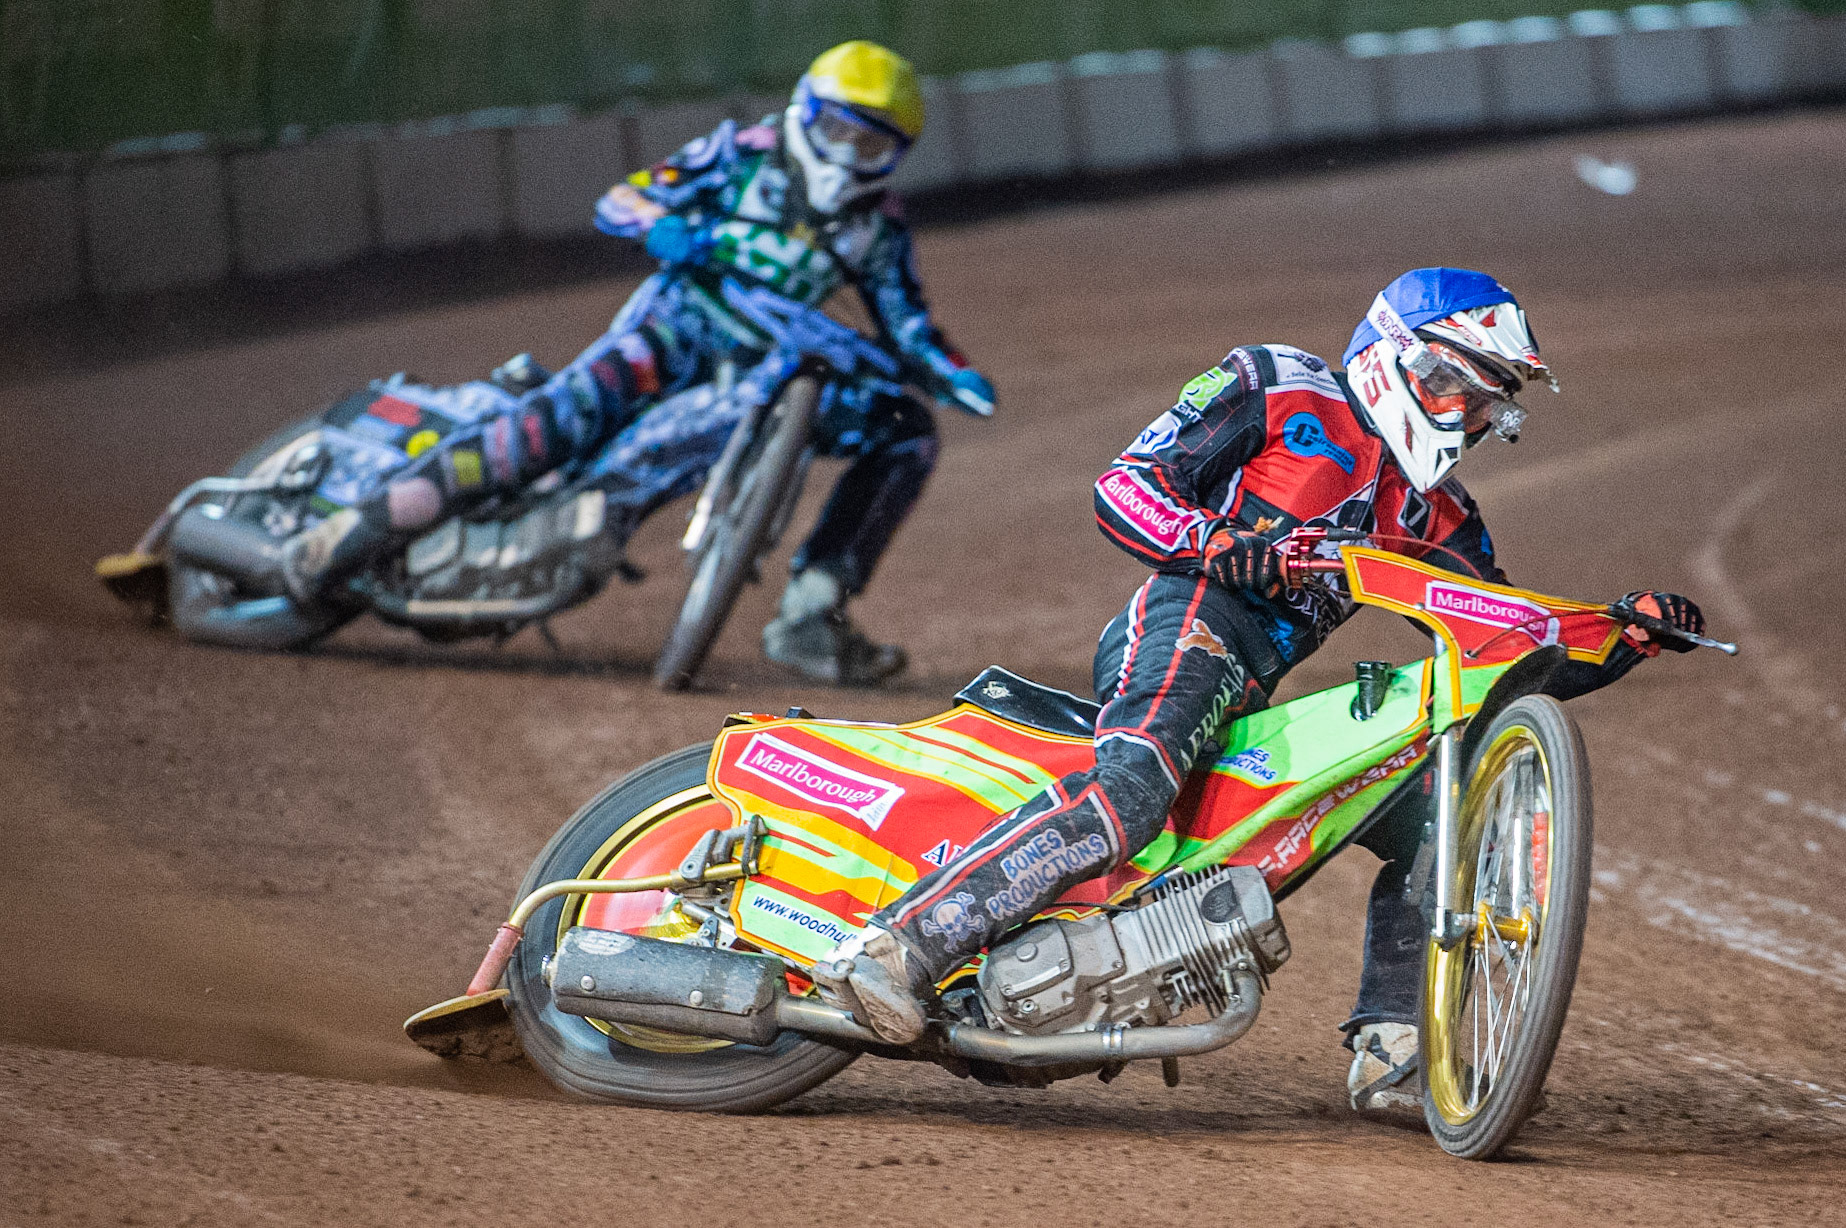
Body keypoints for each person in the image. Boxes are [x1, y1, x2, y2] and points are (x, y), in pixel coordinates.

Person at [815, 268, 1705, 1111]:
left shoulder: (1440, 519)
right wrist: (1212, 542)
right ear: (1389, 353)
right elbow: (1124, 484)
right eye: (1449, 386)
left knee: (1441, 805)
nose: (1462, 415)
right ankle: (901, 946)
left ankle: (1394, 1053)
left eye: (1484, 403)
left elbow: (1497, 644)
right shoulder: (1278, 384)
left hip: (1254, 689)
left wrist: (1621, 634)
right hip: (1189, 621)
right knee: (1133, 790)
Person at [281, 40, 994, 685]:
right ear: (802, 115)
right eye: (836, 130)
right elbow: (623, 198)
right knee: (550, 428)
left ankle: (811, 615)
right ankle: (354, 531)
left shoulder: (883, 227)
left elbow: (907, 322)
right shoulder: (740, 152)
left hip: (770, 372)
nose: (846, 156)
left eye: (871, 146)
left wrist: (953, 369)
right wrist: (664, 225)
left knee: (908, 431)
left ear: (897, 155)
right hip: (673, 334)